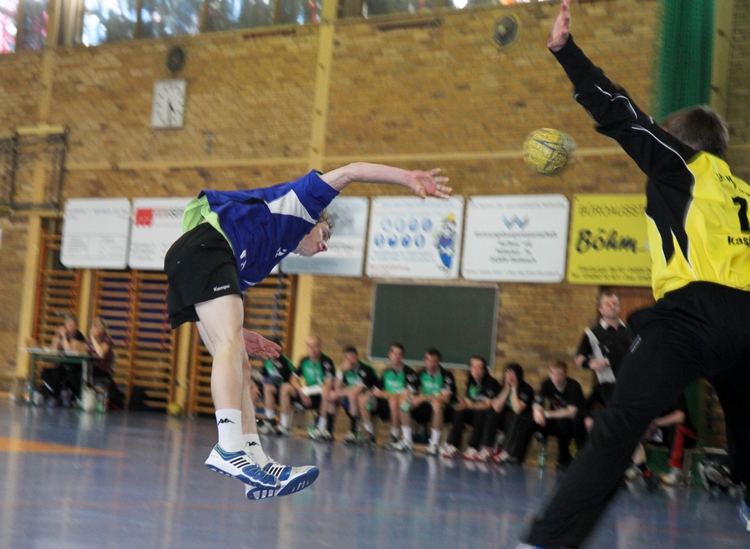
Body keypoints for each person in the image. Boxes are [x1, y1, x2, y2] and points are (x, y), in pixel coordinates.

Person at [517, 2, 750, 546]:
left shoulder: (682, 164)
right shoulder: (742, 191)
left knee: (620, 424)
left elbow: (622, 113)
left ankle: (547, 540)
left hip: (694, 314)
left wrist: (566, 52)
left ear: (681, 143)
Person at [164, 163, 450, 501]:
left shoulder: (262, 260)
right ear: (315, 220)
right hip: (205, 249)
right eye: (324, 235)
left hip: (194, 260)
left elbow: (211, 323)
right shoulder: (301, 203)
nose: (324, 245)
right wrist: (407, 177)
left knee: (240, 362)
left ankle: (255, 463)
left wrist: (241, 332)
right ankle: (228, 446)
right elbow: (352, 171)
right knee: (231, 345)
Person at [574, 290, 633, 430]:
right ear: (600, 309)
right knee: (618, 425)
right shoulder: (592, 333)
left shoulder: (631, 330)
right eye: (608, 304)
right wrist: (590, 363)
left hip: (632, 385)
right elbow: (578, 357)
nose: (612, 306)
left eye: (615, 304)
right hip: (610, 387)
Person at [392, 348, 457, 456]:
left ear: (439, 362)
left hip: (446, 409)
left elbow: (445, 397)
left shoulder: (446, 375)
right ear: (424, 360)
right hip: (426, 407)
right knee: (405, 403)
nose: (431, 364)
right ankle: (407, 441)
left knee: (436, 403)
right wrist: (412, 398)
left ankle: (434, 444)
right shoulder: (420, 373)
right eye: (428, 360)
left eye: (434, 361)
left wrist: (424, 397)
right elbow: (410, 390)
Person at [626, 393, 697, 489]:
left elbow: (680, 417)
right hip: (662, 435)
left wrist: (655, 422)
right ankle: (639, 467)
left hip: (686, 435)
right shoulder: (648, 396)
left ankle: (675, 469)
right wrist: (648, 427)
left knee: (677, 426)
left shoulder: (675, 393)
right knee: (633, 427)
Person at [441, 355, 501, 461]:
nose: (475, 370)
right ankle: (454, 445)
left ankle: (473, 447)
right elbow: (470, 399)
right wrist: (463, 402)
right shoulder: (471, 381)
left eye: (479, 367)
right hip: (474, 412)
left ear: (484, 369)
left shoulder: (490, 382)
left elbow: (487, 405)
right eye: (473, 366)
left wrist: (471, 405)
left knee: (479, 412)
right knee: (459, 410)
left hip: (488, 415)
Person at [359, 343, 419, 448]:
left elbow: (406, 395)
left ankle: (394, 436)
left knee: (394, 401)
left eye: (399, 354)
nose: (396, 356)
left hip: (399, 404)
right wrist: (370, 394)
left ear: (403, 357)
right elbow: (376, 389)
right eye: (394, 353)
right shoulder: (386, 372)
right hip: (385, 403)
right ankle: (370, 435)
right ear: (389, 355)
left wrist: (385, 394)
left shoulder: (409, 373)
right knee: (363, 399)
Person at [532, 360, 587, 470]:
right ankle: (541, 441)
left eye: (560, 374)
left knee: (563, 423)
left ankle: (564, 459)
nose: (556, 378)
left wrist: (546, 413)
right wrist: (537, 412)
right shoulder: (547, 384)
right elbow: (537, 402)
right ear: (549, 374)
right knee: (532, 418)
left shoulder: (573, 386)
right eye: (553, 373)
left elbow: (571, 412)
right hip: (556, 420)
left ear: (566, 375)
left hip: (575, 423)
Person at [285, 336, 337, 441]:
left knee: (326, 390)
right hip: (308, 394)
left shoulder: (326, 362)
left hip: (322, 395)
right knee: (285, 387)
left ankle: (321, 428)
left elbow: (329, 384)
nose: (312, 349)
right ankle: (283, 425)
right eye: (309, 346)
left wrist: (309, 391)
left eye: (315, 346)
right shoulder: (303, 360)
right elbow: (293, 379)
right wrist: (301, 392)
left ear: (320, 347)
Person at [326, 346, 380, 444]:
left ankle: (354, 432)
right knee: (332, 397)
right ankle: (328, 432)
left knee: (352, 395)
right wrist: (340, 371)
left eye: (352, 358)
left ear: (357, 357)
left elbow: (358, 389)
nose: (350, 361)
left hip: (371, 399)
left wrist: (338, 393)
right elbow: (337, 387)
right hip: (354, 398)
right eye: (347, 358)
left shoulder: (365, 369)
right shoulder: (345, 369)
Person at [484, 362, 535, 464]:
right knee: (492, 415)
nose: (509, 376)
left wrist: (514, 390)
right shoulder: (503, 387)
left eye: (512, 373)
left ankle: (506, 450)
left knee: (514, 417)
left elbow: (517, 410)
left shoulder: (526, 389)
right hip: (506, 418)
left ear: (518, 375)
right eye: (507, 373)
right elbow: (497, 408)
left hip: (521, 420)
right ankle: (487, 448)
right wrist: (506, 390)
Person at [41, 314, 88, 405]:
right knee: (45, 373)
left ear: (76, 326)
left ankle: (59, 395)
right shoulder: (65, 335)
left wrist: (64, 336)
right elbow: (54, 348)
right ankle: (55, 395)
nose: (69, 327)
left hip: (75, 367)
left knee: (59, 376)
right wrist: (58, 335)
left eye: (71, 324)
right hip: (64, 365)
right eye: (67, 324)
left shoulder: (78, 336)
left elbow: (68, 350)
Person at [257, 338, 297, 436]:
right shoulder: (267, 361)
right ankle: (270, 421)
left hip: (290, 390)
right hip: (276, 389)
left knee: (283, 388)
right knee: (267, 388)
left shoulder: (284, 361)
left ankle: (284, 425)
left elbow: (277, 378)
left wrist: (265, 380)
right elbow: (263, 377)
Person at [87, 317, 124, 410]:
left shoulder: (107, 340)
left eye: (100, 327)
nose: (97, 329)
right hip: (92, 368)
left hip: (103, 371)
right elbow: (82, 349)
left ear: (104, 329)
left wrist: (93, 338)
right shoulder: (89, 340)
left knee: (84, 372)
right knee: (76, 371)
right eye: (96, 326)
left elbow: (100, 353)